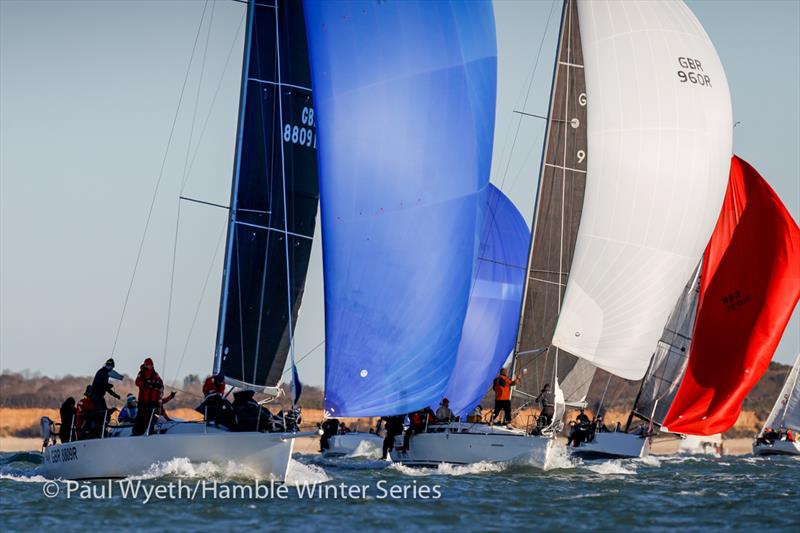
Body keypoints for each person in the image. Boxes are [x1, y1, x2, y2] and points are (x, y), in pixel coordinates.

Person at [133, 357, 171, 436]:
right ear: (145, 365)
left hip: (152, 401)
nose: (149, 366)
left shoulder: (155, 374)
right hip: (143, 401)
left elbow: (160, 384)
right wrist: (146, 383)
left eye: (151, 365)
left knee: (152, 416)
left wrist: (159, 386)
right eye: (148, 365)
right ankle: (136, 432)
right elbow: (137, 382)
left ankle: (151, 431)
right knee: (140, 417)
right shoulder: (141, 373)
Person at [90, 358, 123, 426]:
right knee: (103, 412)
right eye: (110, 366)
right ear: (107, 366)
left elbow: (106, 387)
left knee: (104, 412)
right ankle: (101, 426)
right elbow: (103, 385)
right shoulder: (103, 372)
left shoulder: (105, 372)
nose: (111, 368)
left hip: (99, 396)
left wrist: (116, 395)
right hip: (96, 396)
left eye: (112, 367)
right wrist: (108, 385)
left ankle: (104, 425)